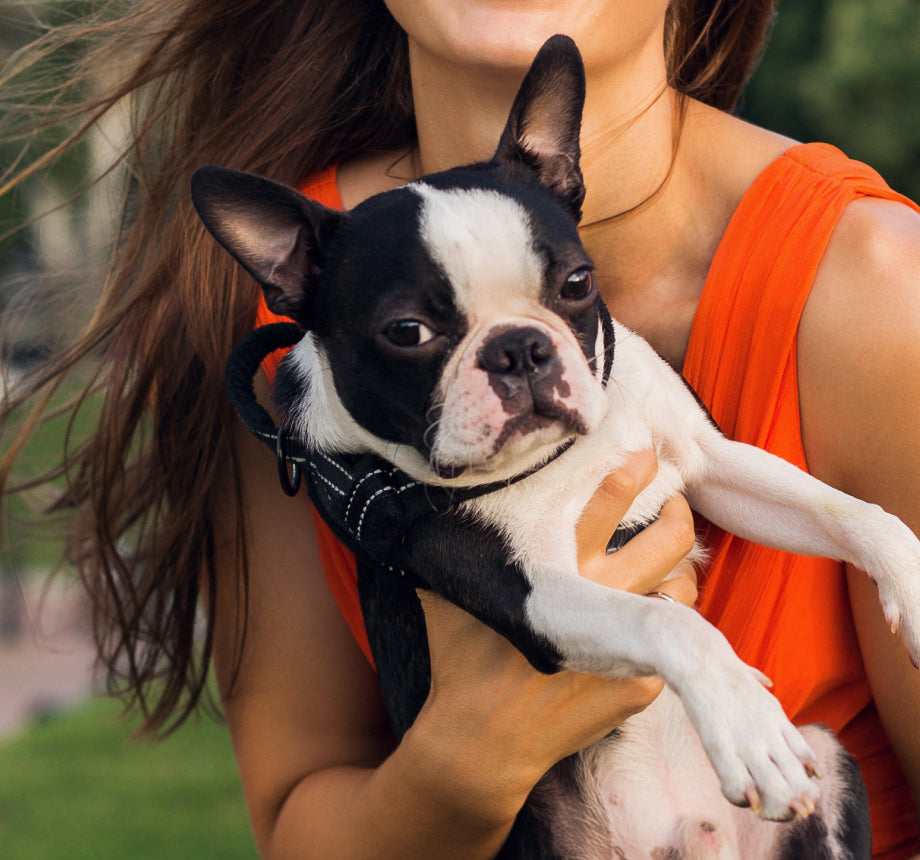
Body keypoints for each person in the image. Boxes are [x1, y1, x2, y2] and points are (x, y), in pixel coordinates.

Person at [1, 1, 919, 857]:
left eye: (563, 293)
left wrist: (883, 547)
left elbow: (716, 464)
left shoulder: (877, 287)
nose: (514, 359)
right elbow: (300, 813)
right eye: (410, 335)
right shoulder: (299, 329)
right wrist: (463, 765)